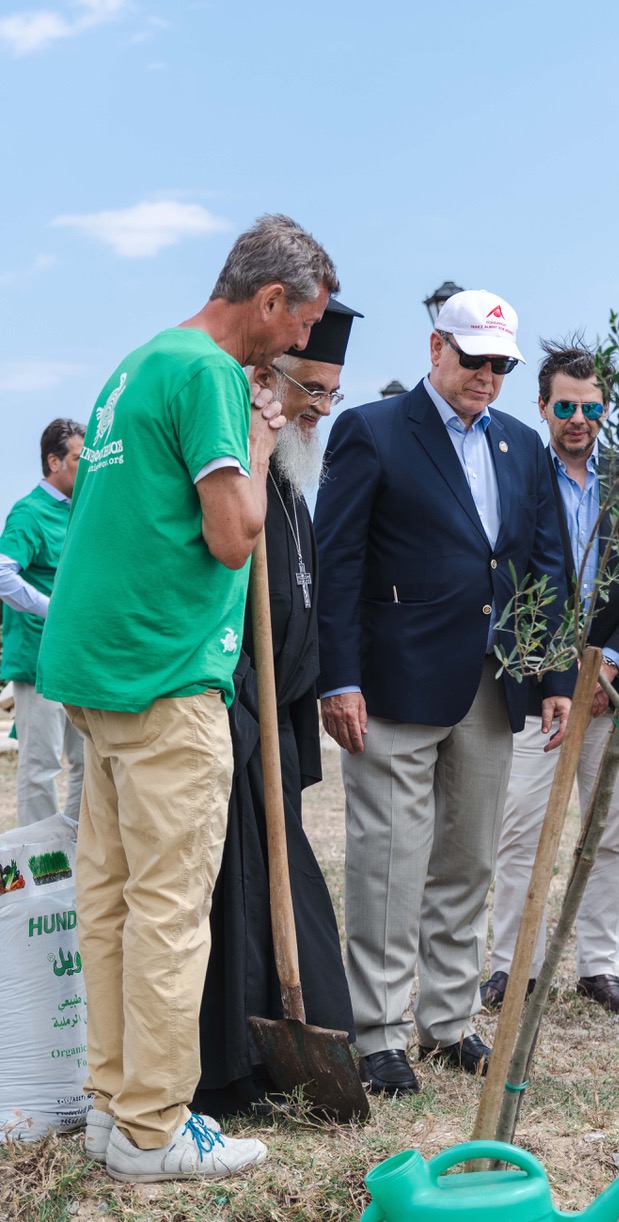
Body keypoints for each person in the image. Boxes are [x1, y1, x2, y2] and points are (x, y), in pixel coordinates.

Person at [36, 214, 335, 1181]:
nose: (301, 346)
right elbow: (233, 533)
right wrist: (255, 431)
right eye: (301, 325)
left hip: (98, 675)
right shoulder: (212, 376)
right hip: (165, 678)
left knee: (113, 902)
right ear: (269, 300)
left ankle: (110, 1106)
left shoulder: (138, 364)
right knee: (169, 908)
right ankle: (157, 1130)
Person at [313, 290, 574, 1096]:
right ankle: (379, 1032)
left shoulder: (524, 449)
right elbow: (338, 564)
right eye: (474, 361)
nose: (487, 378)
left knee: (466, 862)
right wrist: (340, 676)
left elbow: (546, 570)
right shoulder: (374, 432)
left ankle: (448, 1020)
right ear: (436, 349)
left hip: (492, 690)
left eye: (501, 365)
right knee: (389, 863)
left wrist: (555, 675)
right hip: (390, 688)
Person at [195, 300, 362, 1117]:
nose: (321, 408)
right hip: (232, 713)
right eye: (312, 389)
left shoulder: (294, 472)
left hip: (280, 722)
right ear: (269, 375)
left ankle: (305, 1041)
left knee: (284, 885)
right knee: (236, 896)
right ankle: (229, 1071)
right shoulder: (248, 457)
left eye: (333, 392)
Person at [482, 339, 619, 1015]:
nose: (578, 419)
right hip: (539, 685)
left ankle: (599, 965)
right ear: (542, 406)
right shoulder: (518, 478)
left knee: (610, 828)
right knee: (523, 828)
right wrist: (558, 671)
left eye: (590, 407)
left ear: (605, 408)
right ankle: (511, 965)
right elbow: (507, 584)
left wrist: (613, 663)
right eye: (565, 405)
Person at [0, 419, 86, 826]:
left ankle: (70, 861)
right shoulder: (29, 513)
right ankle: (38, 878)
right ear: (53, 461)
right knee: (41, 769)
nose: (85, 466)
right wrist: (54, 609)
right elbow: (2, 574)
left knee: (89, 763)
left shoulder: (79, 512)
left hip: (77, 662)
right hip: (37, 663)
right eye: (76, 458)